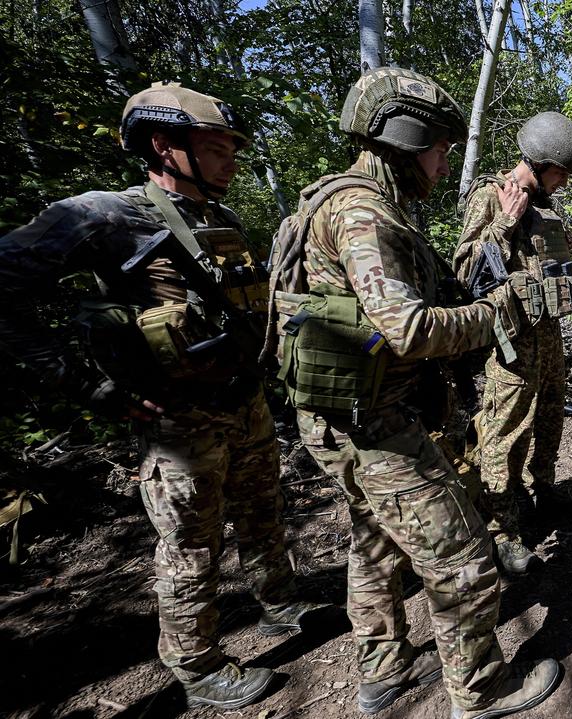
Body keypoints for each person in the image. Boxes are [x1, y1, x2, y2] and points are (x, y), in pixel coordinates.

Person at [0, 82, 324, 709]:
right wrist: (86, 385)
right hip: (177, 421)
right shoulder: (104, 215)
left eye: (232, 146)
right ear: (163, 146)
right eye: (215, 146)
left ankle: (280, 602)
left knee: (264, 513)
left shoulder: (220, 219)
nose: (231, 159)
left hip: (243, 401)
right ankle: (197, 665)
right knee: (190, 546)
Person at [270, 67, 560, 718]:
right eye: (440, 147)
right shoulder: (365, 211)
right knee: (462, 556)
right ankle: (481, 692)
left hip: (337, 416)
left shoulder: (340, 200)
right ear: (405, 139)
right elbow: (404, 328)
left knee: (373, 544)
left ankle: (381, 673)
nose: (444, 160)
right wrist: (492, 314)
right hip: (374, 424)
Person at [453, 111, 572, 576]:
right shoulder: (491, 197)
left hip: (548, 338)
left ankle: (544, 492)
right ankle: (502, 531)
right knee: (505, 434)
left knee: (551, 418)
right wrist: (504, 224)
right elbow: (465, 271)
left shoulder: (547, 207)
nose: (566, 183)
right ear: (541, 162)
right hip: (511, 344)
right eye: (562, 174)